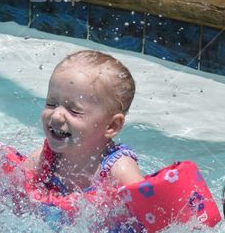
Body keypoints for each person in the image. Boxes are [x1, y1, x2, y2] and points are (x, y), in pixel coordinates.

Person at [22, 50, 144, 195]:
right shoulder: (46, 158)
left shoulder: (119, 170)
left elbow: (143, 208)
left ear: (111, 126)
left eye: (74, 111)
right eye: (51, 103)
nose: (56, 116)